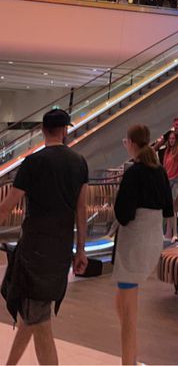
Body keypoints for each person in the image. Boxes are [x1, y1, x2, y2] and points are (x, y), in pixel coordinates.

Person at [0, 108, 88, 366]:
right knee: (34, 314)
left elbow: (7, 206)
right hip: (60, 250)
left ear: (42, 131)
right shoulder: (79, 162)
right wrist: (81, 250)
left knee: (40, 322)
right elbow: (81, 210)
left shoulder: (33, 162)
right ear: (64, 130)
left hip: (34, 251)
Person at [113, 124, 173, 365]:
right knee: (123, 302)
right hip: (151, 238)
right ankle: (132, 357)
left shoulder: (134, 172)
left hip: (134, 242)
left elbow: (123, 213)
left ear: (131, 143)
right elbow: (168, 207)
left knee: (127, 312)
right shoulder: (159, 171)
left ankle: (128, 361)